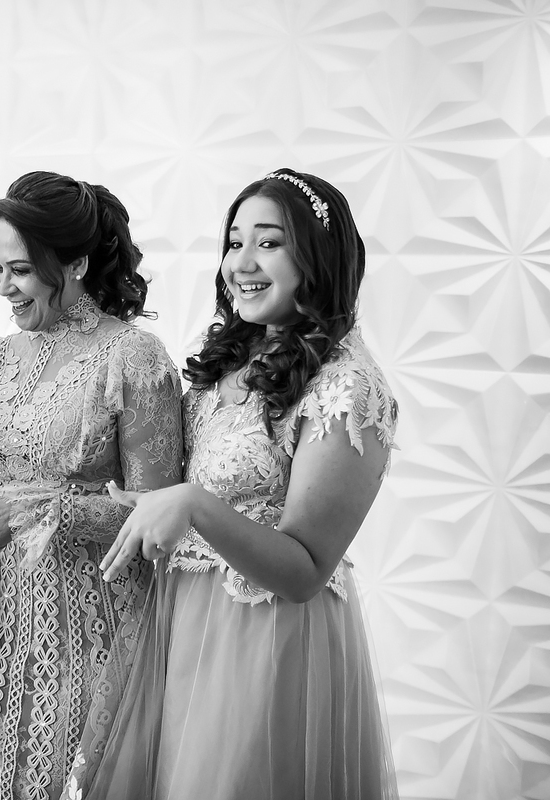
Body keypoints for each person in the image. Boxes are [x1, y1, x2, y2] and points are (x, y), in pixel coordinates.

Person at [80, 168, 400, 799]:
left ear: (316, 255)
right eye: (234, 242)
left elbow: (305, 570)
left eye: (269, 242)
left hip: (265, 640)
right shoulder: (233, 359)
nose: (242, 262)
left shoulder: (347, 386)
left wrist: (194, 505)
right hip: (182, 625)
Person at [0, 170, 183, 798]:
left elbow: (157, 520)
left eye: (19, 270)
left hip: (92, 622)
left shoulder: (134, 356)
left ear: (74, 264)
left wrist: (33, 514)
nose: (3, 288)